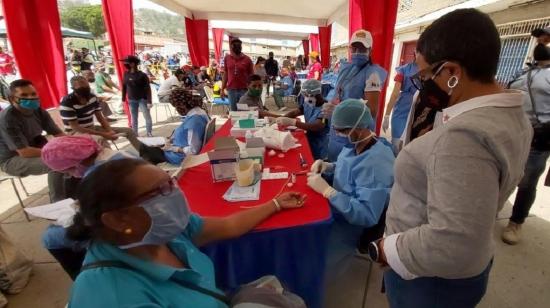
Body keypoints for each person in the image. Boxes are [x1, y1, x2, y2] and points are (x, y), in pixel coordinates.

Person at [366, 9, 532, 307]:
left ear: (453, 73)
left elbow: (454, 243)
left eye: (428, 74)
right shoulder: (509, 114)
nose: (423, 84)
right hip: (460, 273)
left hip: (428, 281)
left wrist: (386, 249)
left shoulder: (464, 137)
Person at [66, 158, 306, 307]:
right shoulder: (113, 297)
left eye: (170, 182)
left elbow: (229, 226)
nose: (175, 194)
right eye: (159, 191)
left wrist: (275, 204)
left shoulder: (165, 232)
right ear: (118, 219)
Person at [307, 99, 394, 270]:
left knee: (313, 253)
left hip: (351, 222)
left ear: (360, 128)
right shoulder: (356, 144)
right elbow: (349, 168)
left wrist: (329, 192)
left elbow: (367, 214)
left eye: (342, 131)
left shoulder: (376, 164)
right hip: (339, 206)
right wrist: (329, 167)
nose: (338, 135)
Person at [41, 135, 136, 279]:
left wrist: (71, 219)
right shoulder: (118, 155)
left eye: (67, 171)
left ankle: (83, 276)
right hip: (135, 214)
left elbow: (91, 223)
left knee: (50, 236)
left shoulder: (96, 177)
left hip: (128, 229)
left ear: (75, 163)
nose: (70, 175)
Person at [502, 34, 550, 245]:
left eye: (546, 39)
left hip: (537, 139)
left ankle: (516, 222)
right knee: (502, 175)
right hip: (510, 134)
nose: (541, 42)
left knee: (527, 181)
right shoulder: (524, 70)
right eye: (540, 39)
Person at [325, 30, 388, 162]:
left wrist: (339, 110)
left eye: (362, 48)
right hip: (339, 130)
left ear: (370, 51)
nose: (357, 52)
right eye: (354, 48)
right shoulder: (346, 68)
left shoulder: (372, 74)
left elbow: (371, 111)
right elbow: (339, 92)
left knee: (348, 167)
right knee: (334, 164)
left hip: (355, 133)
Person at [0, 79, 67, 202]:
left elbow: (59, 134)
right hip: (11, 160)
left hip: (32, 149)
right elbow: (24, 152)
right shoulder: (8, 118)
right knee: (56, 163)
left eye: (33, 94)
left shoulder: (39, 111)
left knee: (74, 158)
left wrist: (76, 145)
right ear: (12, 98)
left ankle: (73, 195)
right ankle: (58, 203)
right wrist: (58, 152)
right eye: (24, 95)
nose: (30, 98)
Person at [60, 75, 141, 150]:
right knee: (101, 140)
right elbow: (76, 127)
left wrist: (109, 130)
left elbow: (100, 118)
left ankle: (145, 154)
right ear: (73, 88)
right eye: (82, 87)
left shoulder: (92, 97)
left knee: (128, 131)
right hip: (75, 132)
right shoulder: (67, 102)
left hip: (91, 128)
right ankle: (109, 159)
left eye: (86, 85)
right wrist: (103, 134)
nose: (85, 88)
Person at [269, 79, 329, 160]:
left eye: (310, 95)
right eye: (306, 95)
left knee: (316, 163)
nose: (307, 97)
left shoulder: (326, 108)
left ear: (318, 94)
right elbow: (295, 112)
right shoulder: (309, 102)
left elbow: (318, 126)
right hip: (309, 137)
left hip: (320, 143)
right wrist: (281, 118)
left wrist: (293, 122)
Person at [382, 59, 419, 152]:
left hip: (402, 108)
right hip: (418, 107)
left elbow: (394, 94)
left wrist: (386, 115)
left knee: (396, 144)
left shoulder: (403, 70)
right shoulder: (429, 69)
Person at [121, 55, 153, 137]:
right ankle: (135, 134)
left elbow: (148, 89)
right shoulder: (126, 74)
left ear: (133, 64)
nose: (125, 64)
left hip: (142, 99)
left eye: (128, 62)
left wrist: (149, 101)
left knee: (147, 116)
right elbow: (124, 86)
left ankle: (149, 133)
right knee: (134, 117)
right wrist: (123, 99)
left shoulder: (142, 75)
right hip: (131, 99)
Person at [221, 37, 254, 111]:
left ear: (241, 47)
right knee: (233, 112)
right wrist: (222, 89)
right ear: (231, 47)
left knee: (244, 111)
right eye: (234, 45)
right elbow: (226, 74)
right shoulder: (227, 58)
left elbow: (251, 76)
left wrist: (251, 90)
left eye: (238, 45)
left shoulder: (247, 59)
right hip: (231, 90)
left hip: (244, 90)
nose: (236, 47)